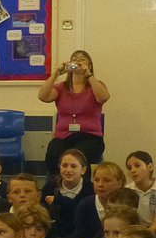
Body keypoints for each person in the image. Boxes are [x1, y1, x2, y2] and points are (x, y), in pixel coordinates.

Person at [38, 50, 109, 178]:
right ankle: (56, 185)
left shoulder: (95, 85)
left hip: (90, 136)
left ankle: (82, 186)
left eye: (82, 59)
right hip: (64, 136)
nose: (78, 61)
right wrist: (55, 74)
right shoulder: (61, 87)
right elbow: (43, 96)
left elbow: (103, 97)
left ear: (89, 65)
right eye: (74, 59)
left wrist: (89, 75)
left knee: (78, 157)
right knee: (53, 154)